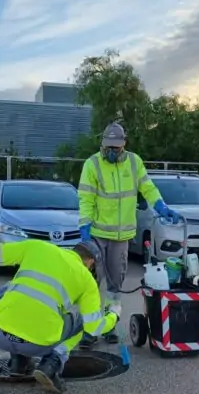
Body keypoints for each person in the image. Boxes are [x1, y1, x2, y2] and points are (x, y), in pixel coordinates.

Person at [0, 237, 121, 394]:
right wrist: (113, 316)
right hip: (38, 344)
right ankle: (51, 364)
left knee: (4, 291)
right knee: (80, 322)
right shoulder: (87, 280)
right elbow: (93, 328)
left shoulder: (37, 247)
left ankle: (18, 362)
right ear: (90, 262)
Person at [77, 122, 181, 346]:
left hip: (121, 238)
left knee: (115, 286)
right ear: (102, 144)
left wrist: (161, 206)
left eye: (117, 148)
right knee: (91, 284)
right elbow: (86, 198)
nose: (112, 152)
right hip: (96, 235)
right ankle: (90, 330)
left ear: (124, 144)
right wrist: (84, 227)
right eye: (109, 147)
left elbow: (148, 188)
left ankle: (109, 326)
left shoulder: (134, 162)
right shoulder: (92, 164)